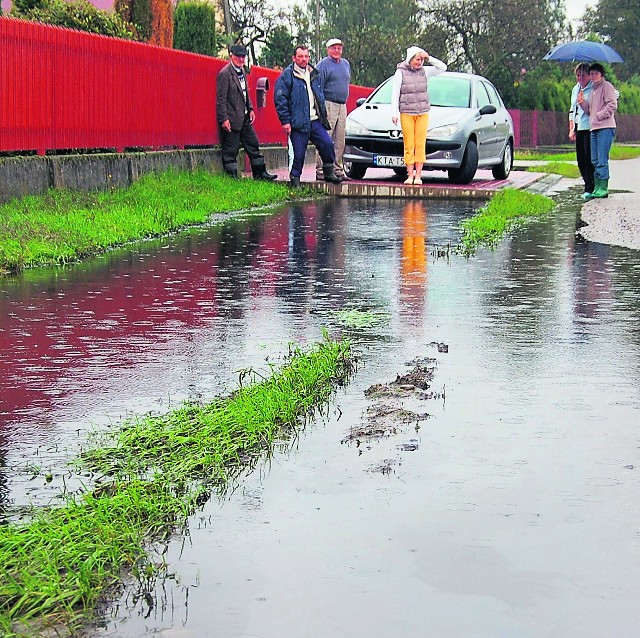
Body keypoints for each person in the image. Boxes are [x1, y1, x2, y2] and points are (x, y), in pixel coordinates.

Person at [274, 44, 342, 188]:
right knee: (299, 153)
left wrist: (323, 113)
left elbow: (319, 94)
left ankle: (328, 172)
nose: (304, 59)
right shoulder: (287, 75)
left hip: (314, 120)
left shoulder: (314, 73)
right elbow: (280, 99)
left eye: (306, 56)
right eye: (300, 56)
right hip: (297, 122)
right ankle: (295, 179)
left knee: (327, 143)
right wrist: (285, 121)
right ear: (294, 58)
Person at [216, 44, 276, 180]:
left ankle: (260, 174)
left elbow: (245, 94)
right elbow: (221, 99)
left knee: (253, 144)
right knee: (230, 150)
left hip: (244, 117)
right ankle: (231, 178)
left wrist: (250, 109)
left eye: (243, 57)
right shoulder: (225, 74)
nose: (241, 59)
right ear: (232, 55)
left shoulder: (243, 71)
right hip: (231, 118)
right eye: (239, 57)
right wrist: (223, 119)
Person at [391, 46, 447, 185]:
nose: (419, 62)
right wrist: (394, 112)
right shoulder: (400, 72)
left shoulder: (424, 71)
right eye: (417, 59)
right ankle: (410, 175)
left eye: (421, 60)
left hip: (422, 112)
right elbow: (395, 93)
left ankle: (418, 176)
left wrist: (429, 57)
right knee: (409, 144)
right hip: (407, 112)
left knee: (420, 144)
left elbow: (442, 67)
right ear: (410, 59)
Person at [578, 62, 618, 199]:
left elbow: (612, 104)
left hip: (605, 127)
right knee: (594, 159)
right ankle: (597, 187)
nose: (593, 76)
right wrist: (582, 103)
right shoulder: (593, 90)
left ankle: (603, 188)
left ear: (601, 75)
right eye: (591, 73)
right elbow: (590, 111)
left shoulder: (607, 87)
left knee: (601, 159)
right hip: (593, 128)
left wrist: (599, 115)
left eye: (596, 73)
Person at [315, 38, 351, 181]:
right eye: (334, 48)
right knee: (325, 138)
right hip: (329, 103)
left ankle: (337, 169)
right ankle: (321, 170)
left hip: (342, 105)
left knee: (340, 139)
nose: (337, 51)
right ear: (328, 49)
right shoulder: (323, 65)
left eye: (339, 48)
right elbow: (318, 87)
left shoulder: (345, 64)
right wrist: (321, 108)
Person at [568, 63, 594, 198]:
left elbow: (592, 110)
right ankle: (586, 182)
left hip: (589, 126)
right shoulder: (575, 89)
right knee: (580, 159)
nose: (580, 78)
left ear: (589, 75)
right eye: (578, 75)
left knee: (589, 157)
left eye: (583, 75)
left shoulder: (593, 88)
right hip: (578, 126)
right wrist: (571, 128)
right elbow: (572, 110)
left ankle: (590, 187)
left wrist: (583, 102)